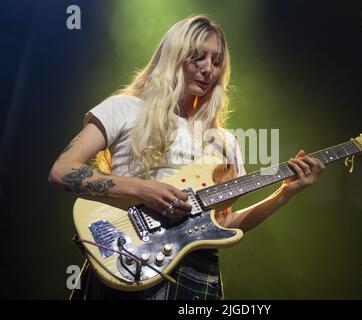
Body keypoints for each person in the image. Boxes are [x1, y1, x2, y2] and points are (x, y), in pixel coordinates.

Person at [48, 15, 325, 300]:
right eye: (197, 58)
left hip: (194, 274)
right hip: (127, 257)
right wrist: (145, 190)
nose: (208, 69)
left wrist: (283, 194)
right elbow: (63, 170)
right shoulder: (124, 109)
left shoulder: (225, 143)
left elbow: (221, 224)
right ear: (173, 58)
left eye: (216, 62)